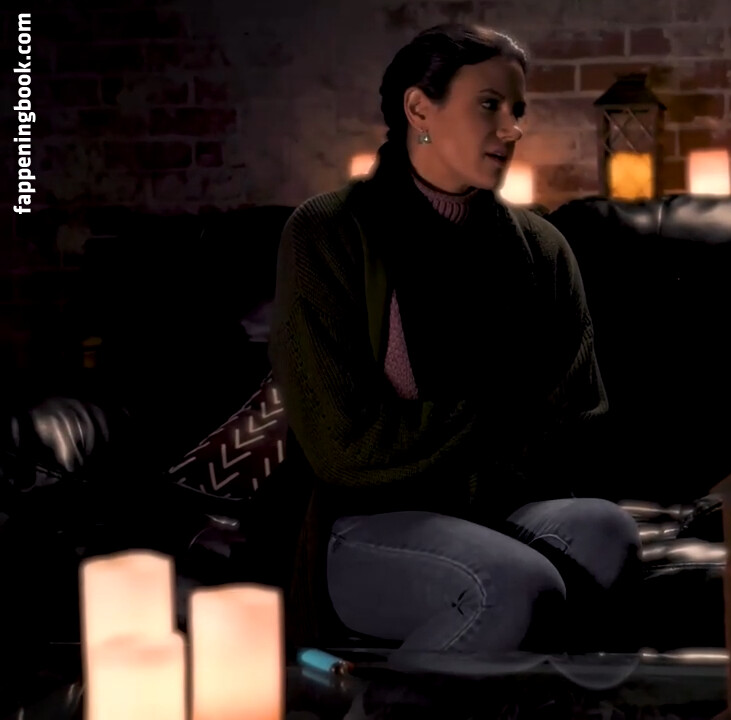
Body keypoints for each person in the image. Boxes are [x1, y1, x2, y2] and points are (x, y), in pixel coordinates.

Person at [267, 23, 640, 656]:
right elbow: (344, 449)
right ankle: (384, 701)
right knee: (510, 583)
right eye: (489, 105)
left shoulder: (543, 249)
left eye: (517, 111)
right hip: (366, 524)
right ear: (419, 109)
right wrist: (501, 411)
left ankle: (555, 703)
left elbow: (581, 425)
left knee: (606, 530)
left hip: (502, 507)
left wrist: (443, 437)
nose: (512, 130)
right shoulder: (328, 233)